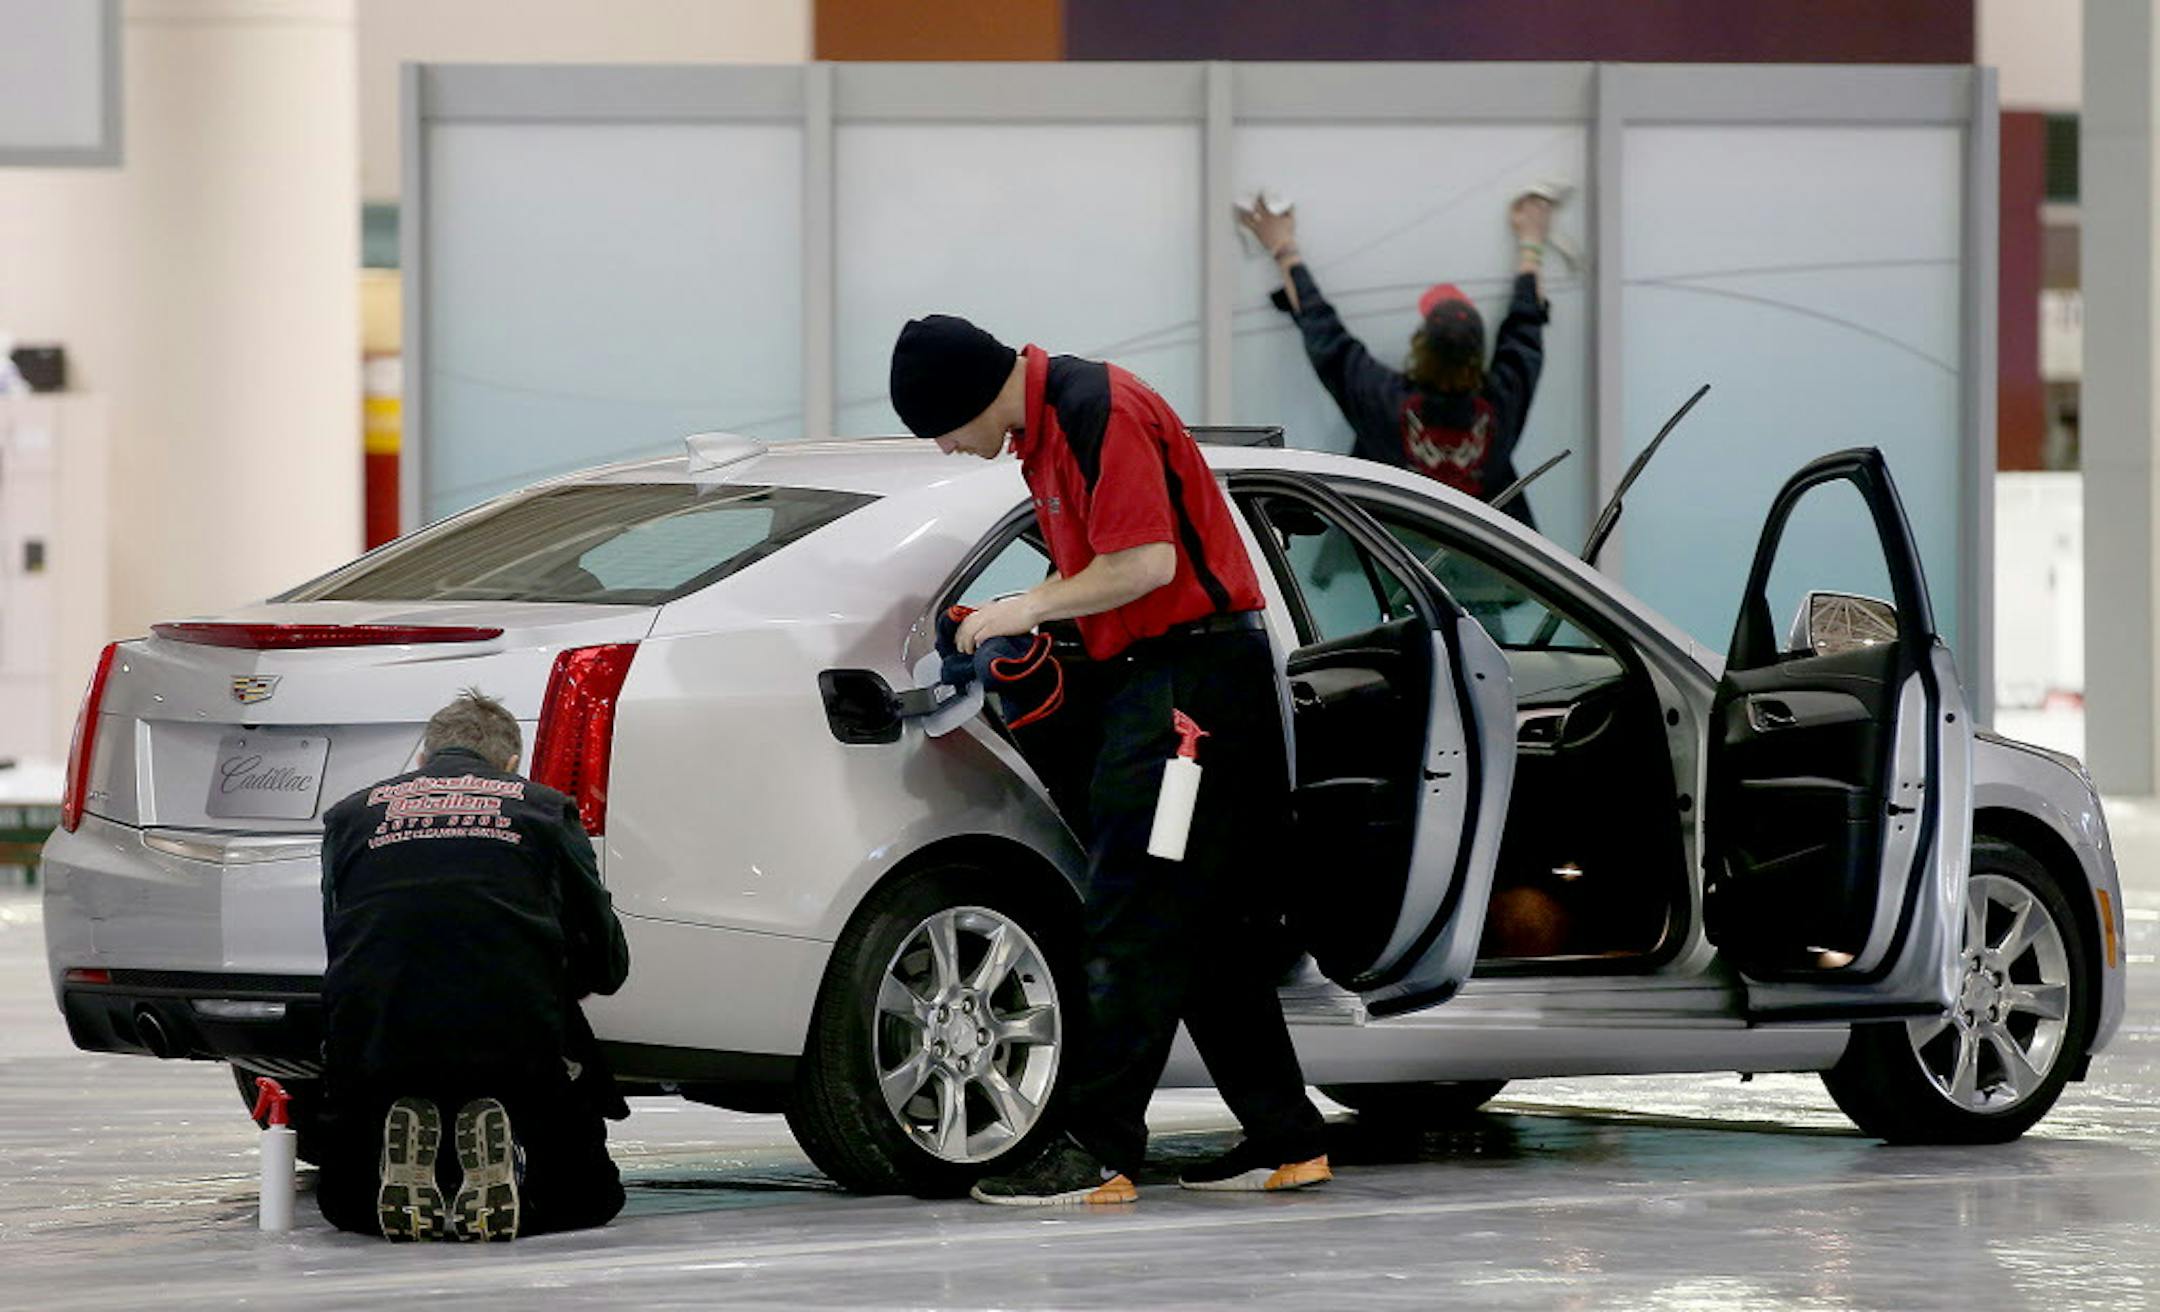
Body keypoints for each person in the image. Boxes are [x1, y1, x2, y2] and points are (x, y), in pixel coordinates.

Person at [889, 315, 1332, 1206]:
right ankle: (1287, 1138)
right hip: (1162, 678)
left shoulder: (1100, 408)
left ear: (971, 395)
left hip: (1193, 692)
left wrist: (1021, 610)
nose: (944, 447)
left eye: (940, 428)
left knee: (1133, 906)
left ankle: (1097, 1148)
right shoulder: (1045, 434)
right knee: (1201, 922)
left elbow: (1143, 564)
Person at [314, 689, 631, 1241]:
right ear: (511, 764)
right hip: (512, 1040)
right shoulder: (544, 809)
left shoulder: (349, 817)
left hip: (377, 1041)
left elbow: (339, 938)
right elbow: (605, 959)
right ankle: (504, 1163)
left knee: (344, 1205)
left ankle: (416, 1162)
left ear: (421, 759)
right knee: (591, 1196)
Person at [1238, 192, 1554, 530]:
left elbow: (1324, 332)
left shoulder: (1383, 403)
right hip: (1486, 571)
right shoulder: (1500, 409)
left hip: (1393, 566)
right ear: (1479, 356)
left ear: (1418, 346)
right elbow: (1525, 327)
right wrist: (1531, 242)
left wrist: (1283, 246)